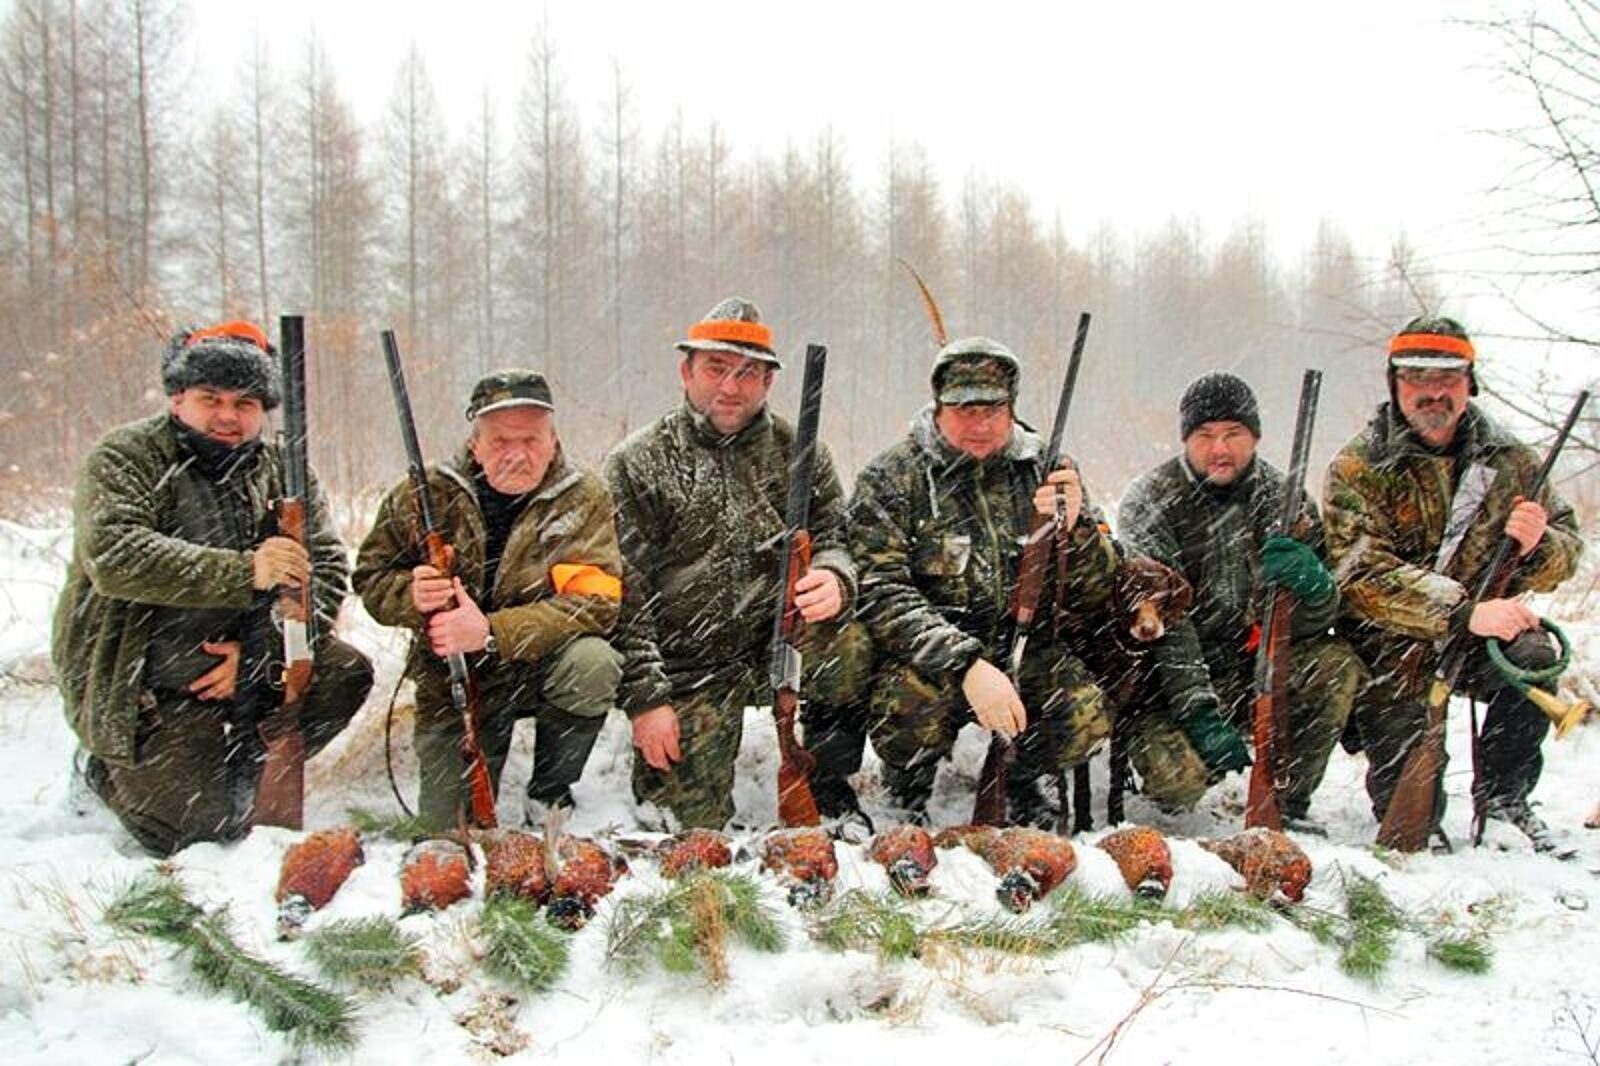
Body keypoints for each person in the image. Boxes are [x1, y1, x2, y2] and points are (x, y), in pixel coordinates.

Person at [53, 321, 374, 855]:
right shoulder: (125, 456)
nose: (228, 415)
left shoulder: (284, 470)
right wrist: (245, 572)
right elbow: (116, 556)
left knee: (344, 672)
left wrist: (261, 656)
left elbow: (326, 568)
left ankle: (245, 768)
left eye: (245, 403)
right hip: (149, 680)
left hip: (247, 663)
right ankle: (104, 770)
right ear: (178, 398)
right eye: (211, 399)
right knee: (191, 833)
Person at [605, 297, 872, 831]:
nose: (730, 386)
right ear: (686, 372)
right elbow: (622, 596)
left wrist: (835, 576)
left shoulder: (803, 454)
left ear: (768, 383)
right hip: (684, 664)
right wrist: (647, 699)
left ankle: (827, 780)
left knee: (852, 647)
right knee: (685, 827)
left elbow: (836, 538)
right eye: (716, 368)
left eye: (748, 373)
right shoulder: (638, 462)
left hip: (778, 645)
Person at [1324, 315, 1583, 851]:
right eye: (1417, 378)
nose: (1433, 392)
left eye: (1448, 378)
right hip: (1390, 648)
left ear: (1470, 383)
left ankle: (1506, 799)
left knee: (1534, 653)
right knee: (1411, 821)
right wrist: (1463, 612)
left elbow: (1568, 551)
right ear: (1394, 383)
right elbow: (1360, 576)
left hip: (1476, 641)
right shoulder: (1357, 466)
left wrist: (1539, 544)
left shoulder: (1512, 461)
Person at [849, 336, 1117, 827]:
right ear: (938, 409)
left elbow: (1099, 589)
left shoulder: (1049, 471)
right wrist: (965, 663)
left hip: (1026, 650)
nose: (980, 424)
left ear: (1012, 408)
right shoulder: (892, 477)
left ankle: (1023, 776)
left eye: (993, 409)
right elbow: (881, 591)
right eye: (964, 410)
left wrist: (1077, 528)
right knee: (906, 709)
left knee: (1084, 713)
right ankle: (906, 784)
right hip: (930, 655)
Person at [354, 370, 621, 829]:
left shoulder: (584, 496)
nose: (516, 454)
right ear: (475, 444)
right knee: (450, 828)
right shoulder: (425, 492)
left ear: (553, 442)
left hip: (541, 663)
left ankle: (550, 790)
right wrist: (411, 595)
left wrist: (493, 632)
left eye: (531, 440)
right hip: (454, 672)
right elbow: (370, 578)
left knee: (593, 663)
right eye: (500, 441)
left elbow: (596, 603)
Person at [1115, 372, 1364, 829]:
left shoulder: (1286, 500)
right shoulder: (1149, 501)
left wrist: (1316, 591)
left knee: (1334, 665)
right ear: (1185, 439)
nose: (1220, 449)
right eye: (1205, 435)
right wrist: (1200, 714)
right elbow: (1166, 622)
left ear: (1256, 437)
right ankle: (1184, 808)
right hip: (1171, 681)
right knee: (1178, 782)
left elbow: (1315, 621)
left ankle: (1288, 801)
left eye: (1234, 434)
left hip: (1256, 666)